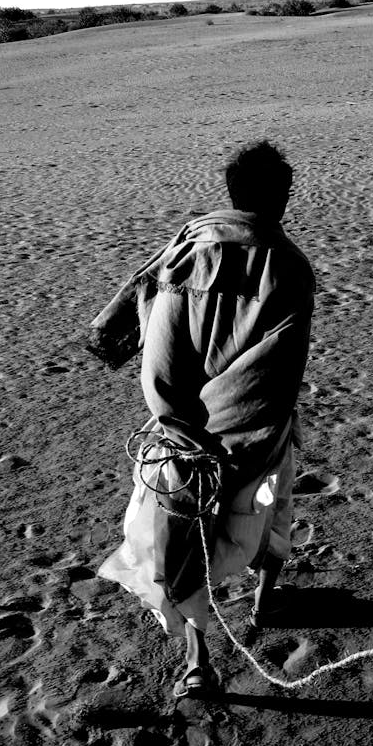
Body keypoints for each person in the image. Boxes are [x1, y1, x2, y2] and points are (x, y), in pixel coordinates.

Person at [91, 141, 315, 697]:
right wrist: (240, 428)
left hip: (180, 433)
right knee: (274, 509)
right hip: (252, 430)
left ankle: (199, 658)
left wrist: (178, 421)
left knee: (185, 538)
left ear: (233, 193)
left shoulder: (185, 251)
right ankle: (262, 604)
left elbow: (159, 346)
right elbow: (276, 368)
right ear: (283, 196)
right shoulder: (287, 266)